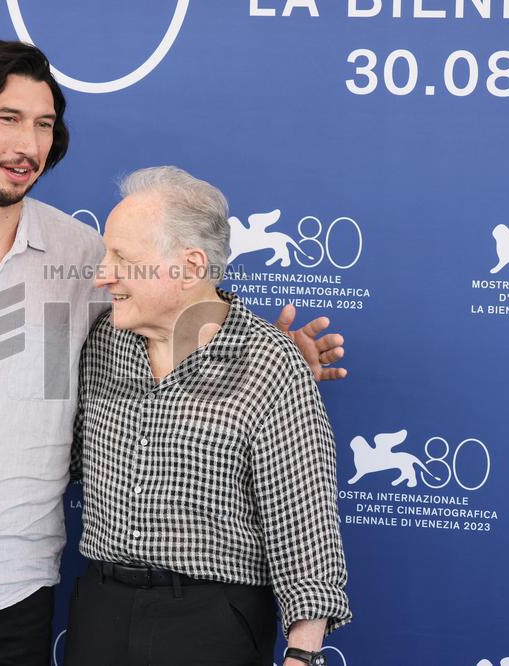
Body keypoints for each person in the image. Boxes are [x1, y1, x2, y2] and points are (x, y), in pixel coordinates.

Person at [0, 39, 345, 666]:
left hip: (5, 596)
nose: (29, 144)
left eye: (44, 124)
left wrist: (257, 348)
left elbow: (170, 312)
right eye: (9, 118)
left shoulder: (80, 256)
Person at [64, 167, 351, 666]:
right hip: (100, 612)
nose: (102, 274)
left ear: (189, 265)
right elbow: (59, 463)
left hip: (212, 623)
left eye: (122, 259)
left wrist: (304, 655)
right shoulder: (102, 345)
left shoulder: (269, 361)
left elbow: (304, 524)